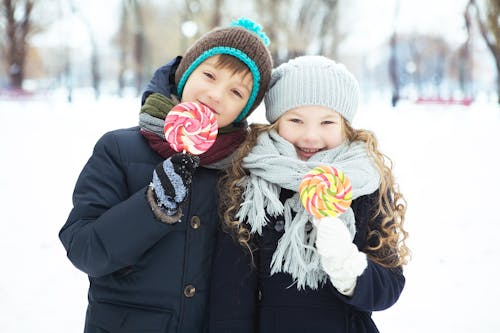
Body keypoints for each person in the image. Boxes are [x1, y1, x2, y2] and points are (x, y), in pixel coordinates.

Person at [59, 17, 272, 333]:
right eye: (209, 75)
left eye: (236, 92)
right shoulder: (118, 149)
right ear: (186, 71)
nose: (215, 95)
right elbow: (84, 249)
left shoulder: (245, 171)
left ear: (246, 109)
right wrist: (151, 207)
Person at [209, 55, 410, 333]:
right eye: (296, 120)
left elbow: (389, 287)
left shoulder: (366, 183)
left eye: (327, 123)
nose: (310, 137)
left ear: (345, 126)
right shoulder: (250, 183)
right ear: (275, 122)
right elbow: (229, 293)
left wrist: (348, 268)